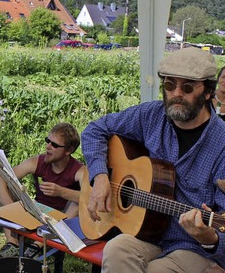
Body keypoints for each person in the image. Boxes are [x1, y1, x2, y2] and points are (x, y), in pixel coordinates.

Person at [82, 47, 225, 272]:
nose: (176, 93)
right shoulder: (151, 115)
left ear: (207, 92)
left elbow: (220, 235)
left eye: (187, 87)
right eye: (169, 85)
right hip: (147, 233)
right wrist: (100, 176)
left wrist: (210, 237)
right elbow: (95, 130)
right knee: (117, 249)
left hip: (192, 245)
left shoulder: (222, 144)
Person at [0, 122, 84, 259]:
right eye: (48, 141)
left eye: (54, 145)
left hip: (61, 220)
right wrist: (11, 208)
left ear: (68, 151)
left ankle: (36, 246)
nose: (48, 146)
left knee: (77, 204)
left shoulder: (79, 170)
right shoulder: (38, 162)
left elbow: (90, 197)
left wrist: (61, 191)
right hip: (37, 211)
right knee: (7, 190)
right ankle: (13, 244)